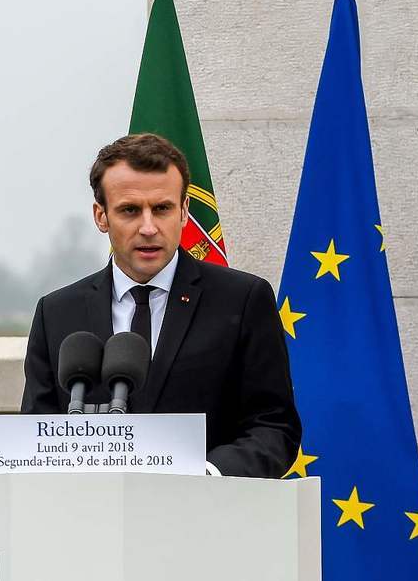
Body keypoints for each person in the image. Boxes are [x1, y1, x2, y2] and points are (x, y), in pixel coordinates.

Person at [20, 134, 301, 478]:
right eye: (130, 210)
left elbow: (273, 426)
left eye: (162, 209)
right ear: (101, 216)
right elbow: (37, 434)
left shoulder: (243, 299)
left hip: (208, 505)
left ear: (184, 211)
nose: (149, 227)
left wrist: (209, 475)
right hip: (92, 507)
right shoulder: (57, 313)